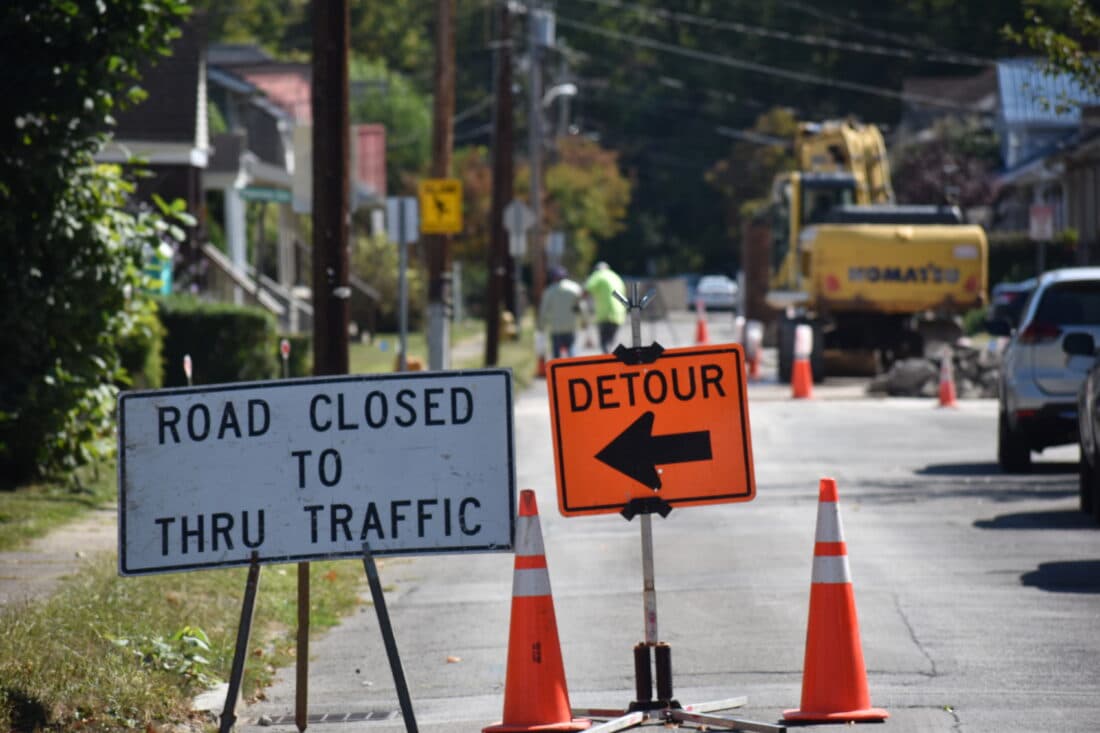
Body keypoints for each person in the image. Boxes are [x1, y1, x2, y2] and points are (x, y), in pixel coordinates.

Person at [539, 266, 587, 358]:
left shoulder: (549, 291)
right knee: (571, 350)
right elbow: (582, 306)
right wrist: (584, 321)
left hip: (556, 328)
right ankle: (573, 370)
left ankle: (558, 371)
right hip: (571, 326)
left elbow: (543, 310)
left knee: (556, 354)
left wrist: (541, 325)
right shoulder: (575, 288)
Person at [584, 261, 627, 352]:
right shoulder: (616, 277)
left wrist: (577, 302)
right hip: (619, 314)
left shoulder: (598, 275)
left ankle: (608, 363)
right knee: (610, 342)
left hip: (605, 314)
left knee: (604, 343)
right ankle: (611, 360)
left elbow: (586, 290)